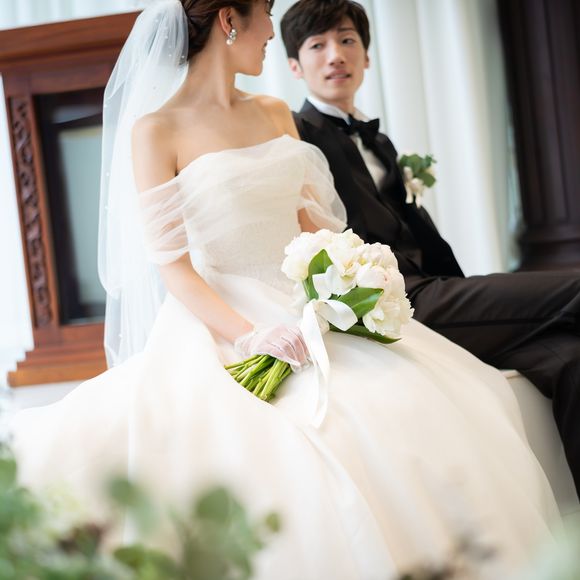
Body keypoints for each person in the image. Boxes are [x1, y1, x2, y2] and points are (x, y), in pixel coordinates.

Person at [8, 1, 560, 578]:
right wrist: (252, 336)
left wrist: (350, 274)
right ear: (230, 20)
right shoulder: (155, 131)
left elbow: (312, 228)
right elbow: (174, 269)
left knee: (434, 396)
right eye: (265, 14)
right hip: (223, 317)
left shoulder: (273, 112)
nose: (272, 31)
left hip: (302, 304)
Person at [280, 0, 580, 499]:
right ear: (294, 66)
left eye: (348, 40)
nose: (335, 55)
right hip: (396, 303)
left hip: (437, 288)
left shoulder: (379, 141)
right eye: (318, 45)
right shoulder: (298, 135)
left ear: (367, 57)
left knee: (571, 357)